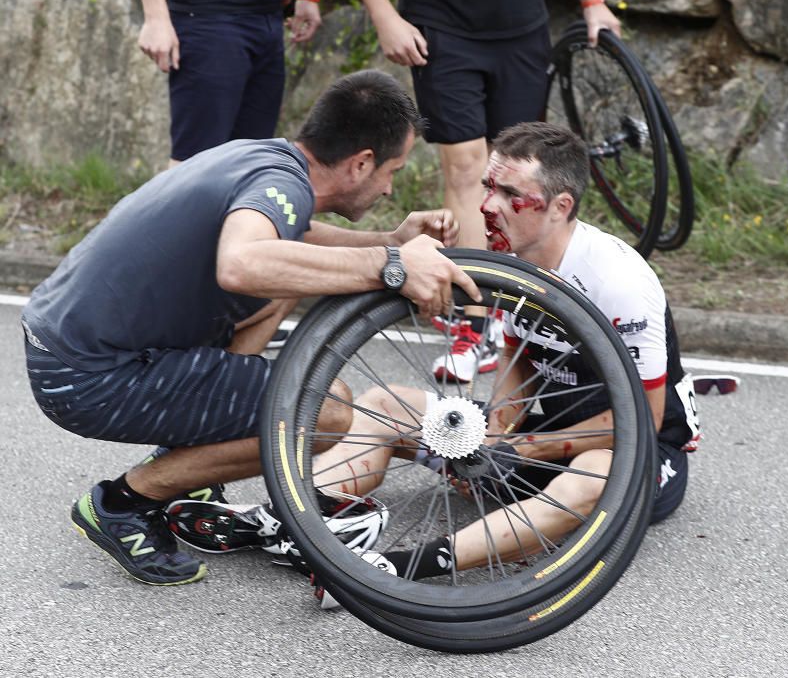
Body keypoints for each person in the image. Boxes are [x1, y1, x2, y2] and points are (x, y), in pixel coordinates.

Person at [169, 122, 699, 604]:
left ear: (559, 206)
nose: (489, 205)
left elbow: (641, 422)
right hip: (535, 440)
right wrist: (492, 436)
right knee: (384, 404)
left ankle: (401, 567)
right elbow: (518, 357)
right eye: (489, 188)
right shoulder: (513, 259)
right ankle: (288, 522)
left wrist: (522, 446)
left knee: (594, 474)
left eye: (511, 195)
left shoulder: (618, 280)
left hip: (634, 451)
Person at [21, 70, 482, 587]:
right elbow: (240, 264)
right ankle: (123, 501)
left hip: (68, 347)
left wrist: (390, 239)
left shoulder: (267, 159)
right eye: (390, 171)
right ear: (361, 163)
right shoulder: (280, 183)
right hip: (86, 376)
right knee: (326, 413)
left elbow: (297, 236)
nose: (390, 187)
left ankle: (195, 456)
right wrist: (392, 264)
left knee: (294, 272)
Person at [349, 0, 622, 382]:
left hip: (521, 26)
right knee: (465, 167)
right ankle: (473, 323)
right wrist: (383, 14)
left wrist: (593, 1)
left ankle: (510, 306)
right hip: (440, 25)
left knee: (518, 168)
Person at [135, 0, 322, 168]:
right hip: (208, 16)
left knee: (250, 159)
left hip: (268, 17)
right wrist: (155, 18)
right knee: (195, 163)